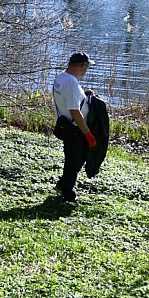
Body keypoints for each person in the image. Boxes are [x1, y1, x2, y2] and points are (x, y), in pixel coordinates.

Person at [53, 52, 97, 202]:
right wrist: (88, 133)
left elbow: (70, 98)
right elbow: (74, 111)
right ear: (81, 66)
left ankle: (62, 183)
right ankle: (67, 193)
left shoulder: (62, 77)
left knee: (75, 159)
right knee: (73, 161)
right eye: (86, 67)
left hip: (65, 125)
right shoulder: (71, 83)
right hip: (74, 129)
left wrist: (84, 94)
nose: (86, 70)